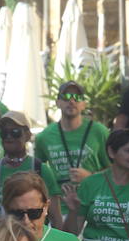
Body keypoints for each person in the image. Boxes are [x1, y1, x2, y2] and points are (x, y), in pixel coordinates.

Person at [34, 81, 109, 216]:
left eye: (77, 98)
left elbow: (114, 170)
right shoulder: (44, 137)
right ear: (58, 102)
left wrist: (90, 176)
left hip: (95, 206)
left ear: (83, 104)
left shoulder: (99, 132)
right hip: (60, 209)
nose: (72, 101)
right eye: (67, 97)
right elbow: (37, 174)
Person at [0, 112, 63, 223]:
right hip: (3, 237)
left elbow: (56, 218)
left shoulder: (41, 170)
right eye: (4, 133)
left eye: (15, 132)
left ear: (27, 135)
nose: (9, 137)